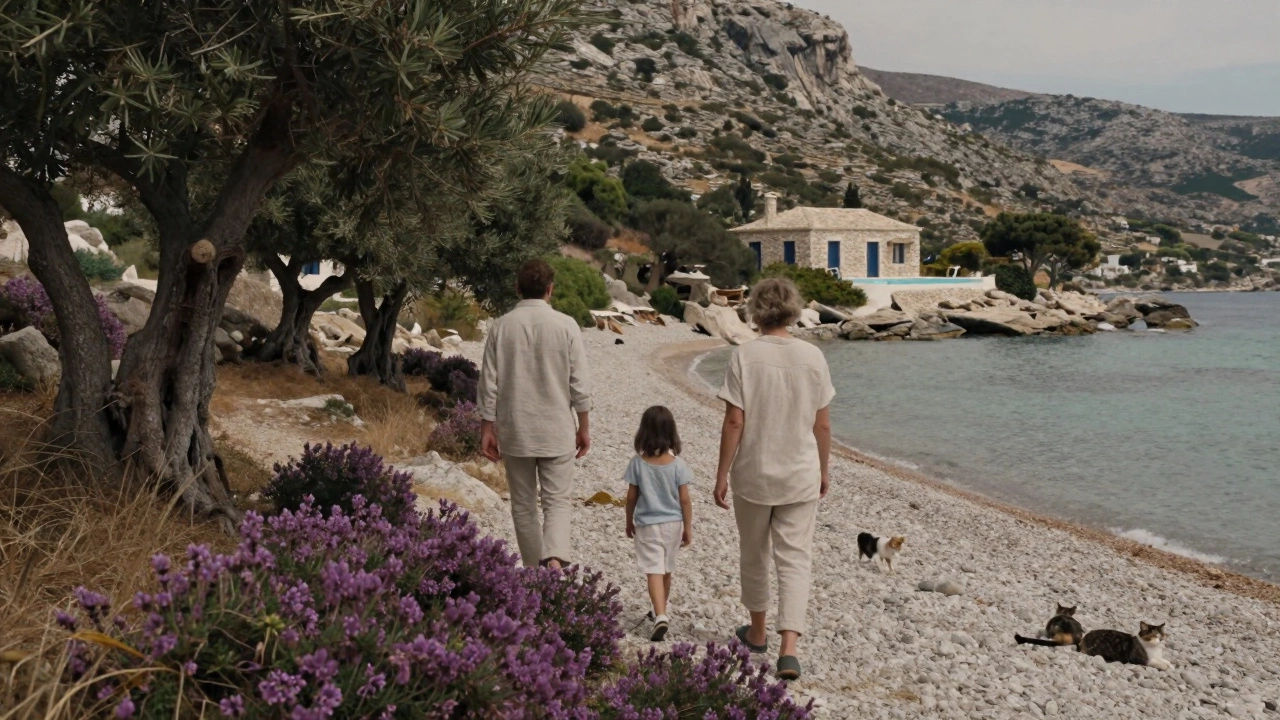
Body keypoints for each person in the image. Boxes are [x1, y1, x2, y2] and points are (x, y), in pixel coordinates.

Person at [713, 277, 834, 681]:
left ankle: (758, 631)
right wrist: (823, 469)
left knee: (754, 553)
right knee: (795, 558)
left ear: (756, 310)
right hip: (799, 473)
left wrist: (722, 474)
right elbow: (822, 426)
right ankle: (789, 649)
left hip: (754, 473)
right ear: (793, 309)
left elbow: (734, 422)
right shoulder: (813, 356)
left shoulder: (744, 356)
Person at [479, 259, 592, 570]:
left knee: (524, 505)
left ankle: (535, 570)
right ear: (550, 289)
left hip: (516, 429)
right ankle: (554, 558)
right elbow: (579, 383)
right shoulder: (567, 325)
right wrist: (583, 426)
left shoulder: (501, 326)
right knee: (558, 502)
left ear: (518, 288)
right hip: (556, 429)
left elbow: (488, 381)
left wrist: (486, 427)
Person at [623, 406, 694, 642]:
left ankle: (660, 614)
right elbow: (684, 499)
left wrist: (628, 521)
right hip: (673, 524)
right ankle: (659, 611)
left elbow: (631, 497)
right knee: (666, 569)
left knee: (653, 569)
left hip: (647, 525)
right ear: (672, 433)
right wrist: (688, 527)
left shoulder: (637, 464)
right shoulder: (678, 465)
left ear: (643, 432)